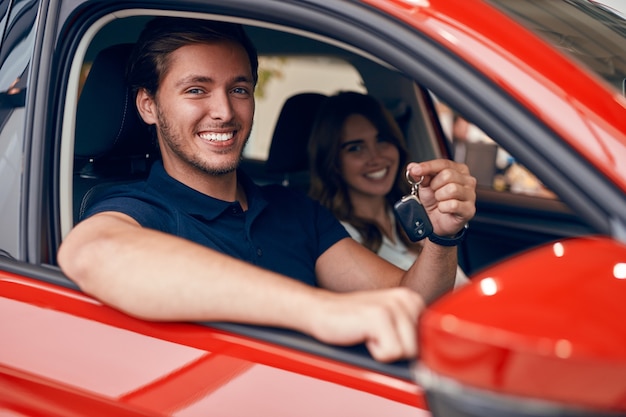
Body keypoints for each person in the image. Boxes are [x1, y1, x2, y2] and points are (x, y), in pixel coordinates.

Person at [57, 17, 477, 363]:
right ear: (148, 105)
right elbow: (90, 252)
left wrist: (441, 238)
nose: (223, 112)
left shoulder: (295, 209)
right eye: (196, 90)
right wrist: (319, 309)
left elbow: (410, 301)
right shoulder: (141, 210)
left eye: (238, 89)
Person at [308, 92, 469, 287]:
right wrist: (440, 239)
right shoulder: (334, 238)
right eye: (355, 148)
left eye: (382, 140)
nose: (376, 157)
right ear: (333, 162)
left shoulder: (413, 214)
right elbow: (412, 302)